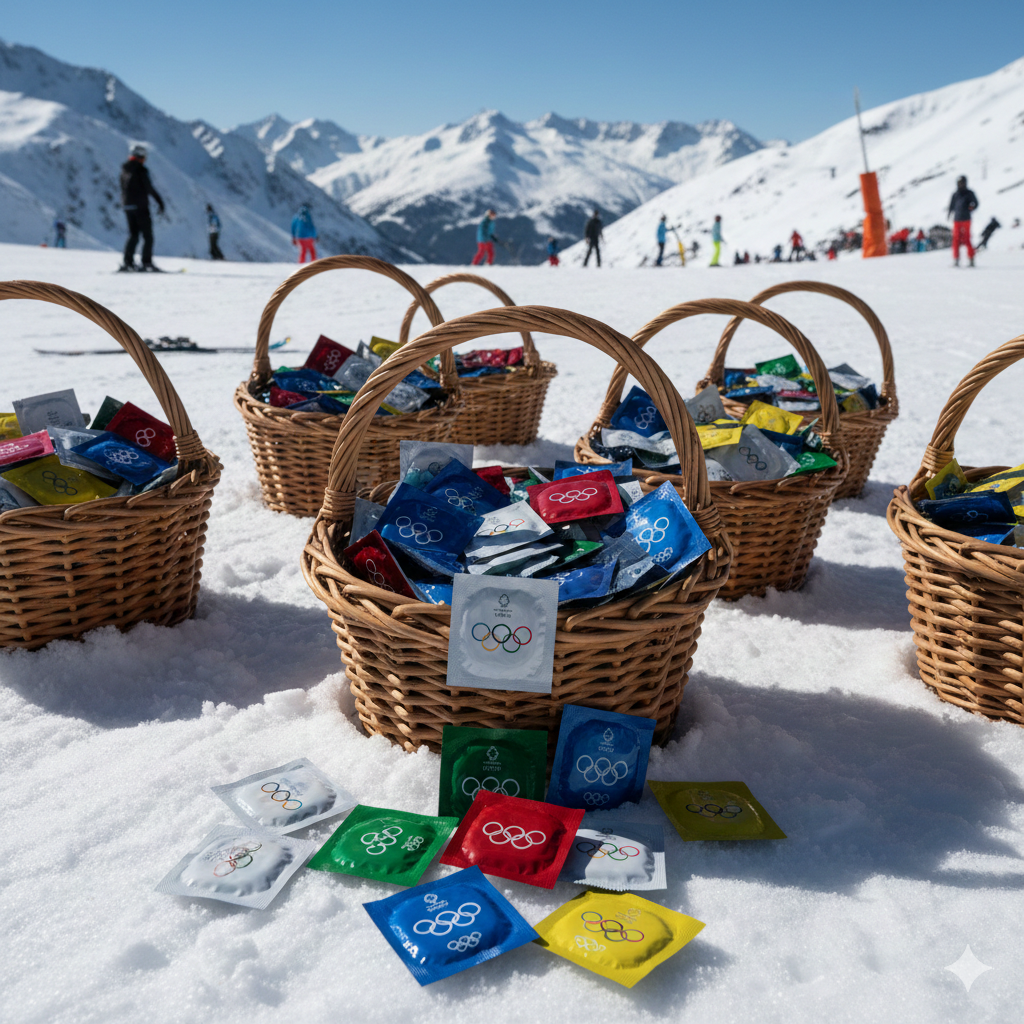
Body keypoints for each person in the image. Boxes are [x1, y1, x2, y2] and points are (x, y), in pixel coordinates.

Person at [120, 143, 165, 271]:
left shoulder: (124, 170)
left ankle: (128, 262)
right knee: (148, 236)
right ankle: (146, 262)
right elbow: (148, 188)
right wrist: (160, 202)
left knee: (133, 234)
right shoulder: (141, 170)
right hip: (140, 206)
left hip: (127, 206)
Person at [948, 175, 978, 266]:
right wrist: (949, 213)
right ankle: (956, 259)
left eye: (962, 182)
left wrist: (970, 208)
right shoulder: (955, 194)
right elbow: (951, 205)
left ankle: (971, 258)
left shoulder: (969, 193)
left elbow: (975, 203)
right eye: (959, 183)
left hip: (966, 219)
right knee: (956, 239)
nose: (961, 184)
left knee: (966, 239)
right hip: (957, 219)